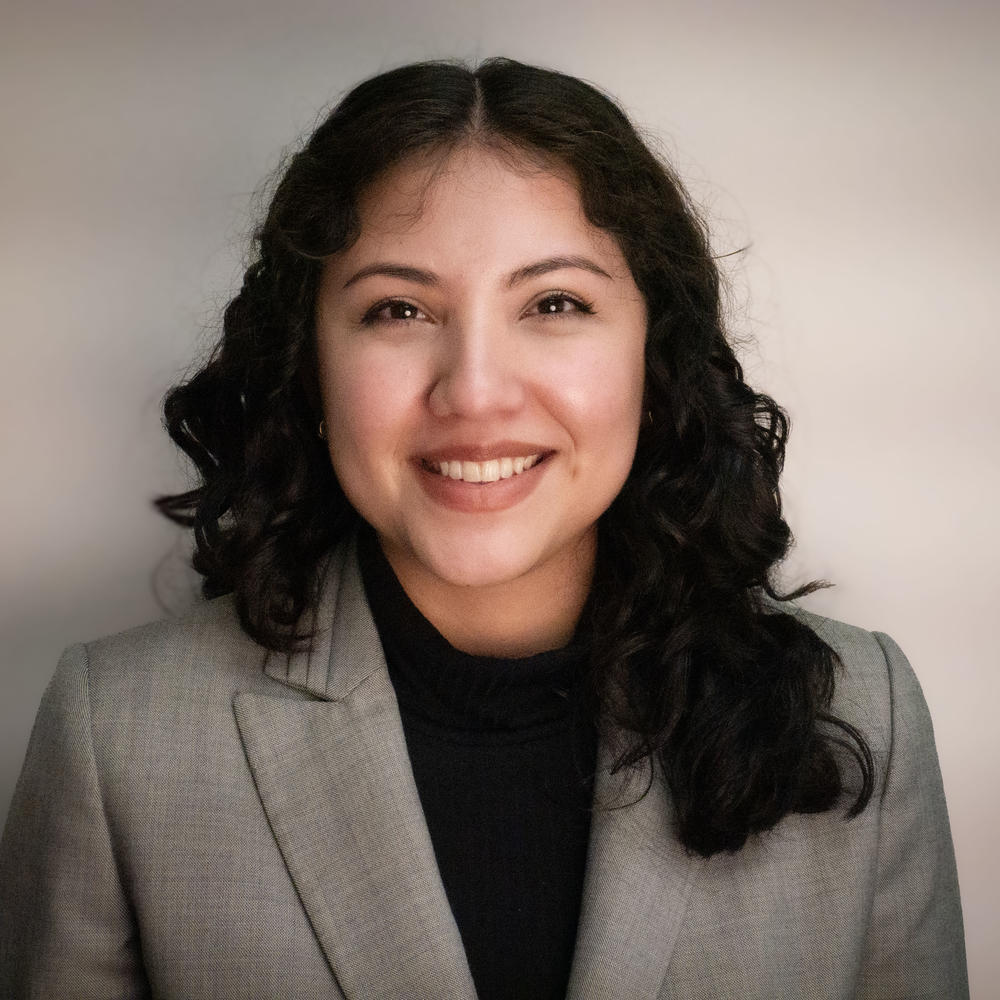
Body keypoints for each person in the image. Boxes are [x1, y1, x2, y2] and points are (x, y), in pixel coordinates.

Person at [0, 57, 968, 999]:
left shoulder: (862, 708)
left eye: (554, 303)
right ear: (310, 365)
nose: (472, 391)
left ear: (653, 354)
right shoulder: (118, 732)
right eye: (397, 308)